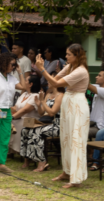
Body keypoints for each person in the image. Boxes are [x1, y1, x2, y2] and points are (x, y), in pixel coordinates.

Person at [35, 43, 90, 187]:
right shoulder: (70, 67)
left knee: (76, 140)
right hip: (68, 102)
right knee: (66, 139)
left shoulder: (81, 71)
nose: (66, 57)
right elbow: (53, 80)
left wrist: (42, 69)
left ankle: (76, 179)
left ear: (77, 55)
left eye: (68, 54)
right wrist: (44, 70)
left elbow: (56, 83)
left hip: (78, 103)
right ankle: (67, 172)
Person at [0, 52, 29, 175]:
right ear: (3, 62)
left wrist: (20, 72)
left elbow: (23, 87)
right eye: (12, 64)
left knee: (5, 137)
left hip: (6, 111)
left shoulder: (10, 77)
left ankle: (1, 164)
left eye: (15, 65)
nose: (13, 67)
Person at [21, 87, 62, 171]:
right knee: (25, 130)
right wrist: (39, 105)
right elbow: (41, 113)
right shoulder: (48, 95)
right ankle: (28, 158)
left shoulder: (61, 96)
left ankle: (42, 161)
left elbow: (52, 113)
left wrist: (43, 101)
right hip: (47, 124)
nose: (48, 82)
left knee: (36, 131)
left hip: (59, 125)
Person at [87, 68, 104, 153]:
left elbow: (87, 85)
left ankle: (89, 154)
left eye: (99, 75)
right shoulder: (99, 87)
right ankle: (89, 154)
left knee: (79, 133)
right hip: (92, 123)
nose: (96, 77)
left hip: (100, 127)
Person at [10, 89, 39, 163]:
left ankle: (21, 151)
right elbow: (15, 108)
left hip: (32, 120)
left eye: (26, 81)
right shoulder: (24, 94)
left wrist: (12, 117)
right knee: (7, 122)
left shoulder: (36, 96)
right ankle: (11, 149)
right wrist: (5, 109)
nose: (25, 83)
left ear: (31, 84)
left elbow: (25, 110)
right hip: (19, 117)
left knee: (17, 122)